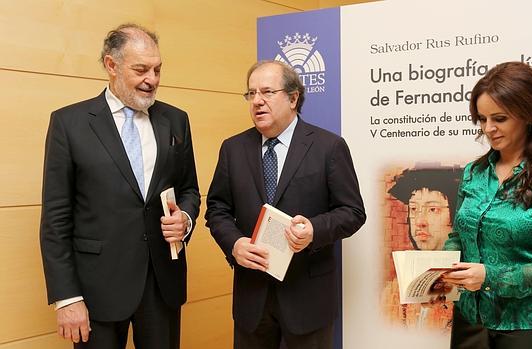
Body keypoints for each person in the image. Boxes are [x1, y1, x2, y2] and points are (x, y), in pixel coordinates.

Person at [40, 23, 200, 349]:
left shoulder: (176, 120)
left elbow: (189, 190)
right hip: (96, 290)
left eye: (157, 69)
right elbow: (56, 219)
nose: (152, 79)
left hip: (161, 286)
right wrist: (67, 297)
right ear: (111, 66)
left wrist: (185, 220)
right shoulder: (69, 124)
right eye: (141, 69)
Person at [206, 60, 366, 349]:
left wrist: (314, 230)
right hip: (251, 297)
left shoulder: (328, 147)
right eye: (251, 93)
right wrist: (234, 244)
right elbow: (217, 209)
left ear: (293, 98)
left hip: (307, 296)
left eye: (267, 92)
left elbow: (353, 212)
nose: (257, 101)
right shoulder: (233, 149)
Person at [442, 61, 532, 349]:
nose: (488, 129)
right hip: (470, 321)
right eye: (482, 119)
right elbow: (458, 236)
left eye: (499, 118)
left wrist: (492, 277)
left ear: (528, 115)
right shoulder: (474, 173)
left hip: (531, 328)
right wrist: (445, 268)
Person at [381, 167, 461, 329]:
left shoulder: (472, 280)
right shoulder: (394, 292)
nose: (419, 221)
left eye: (433, 209)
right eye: (414, 209)